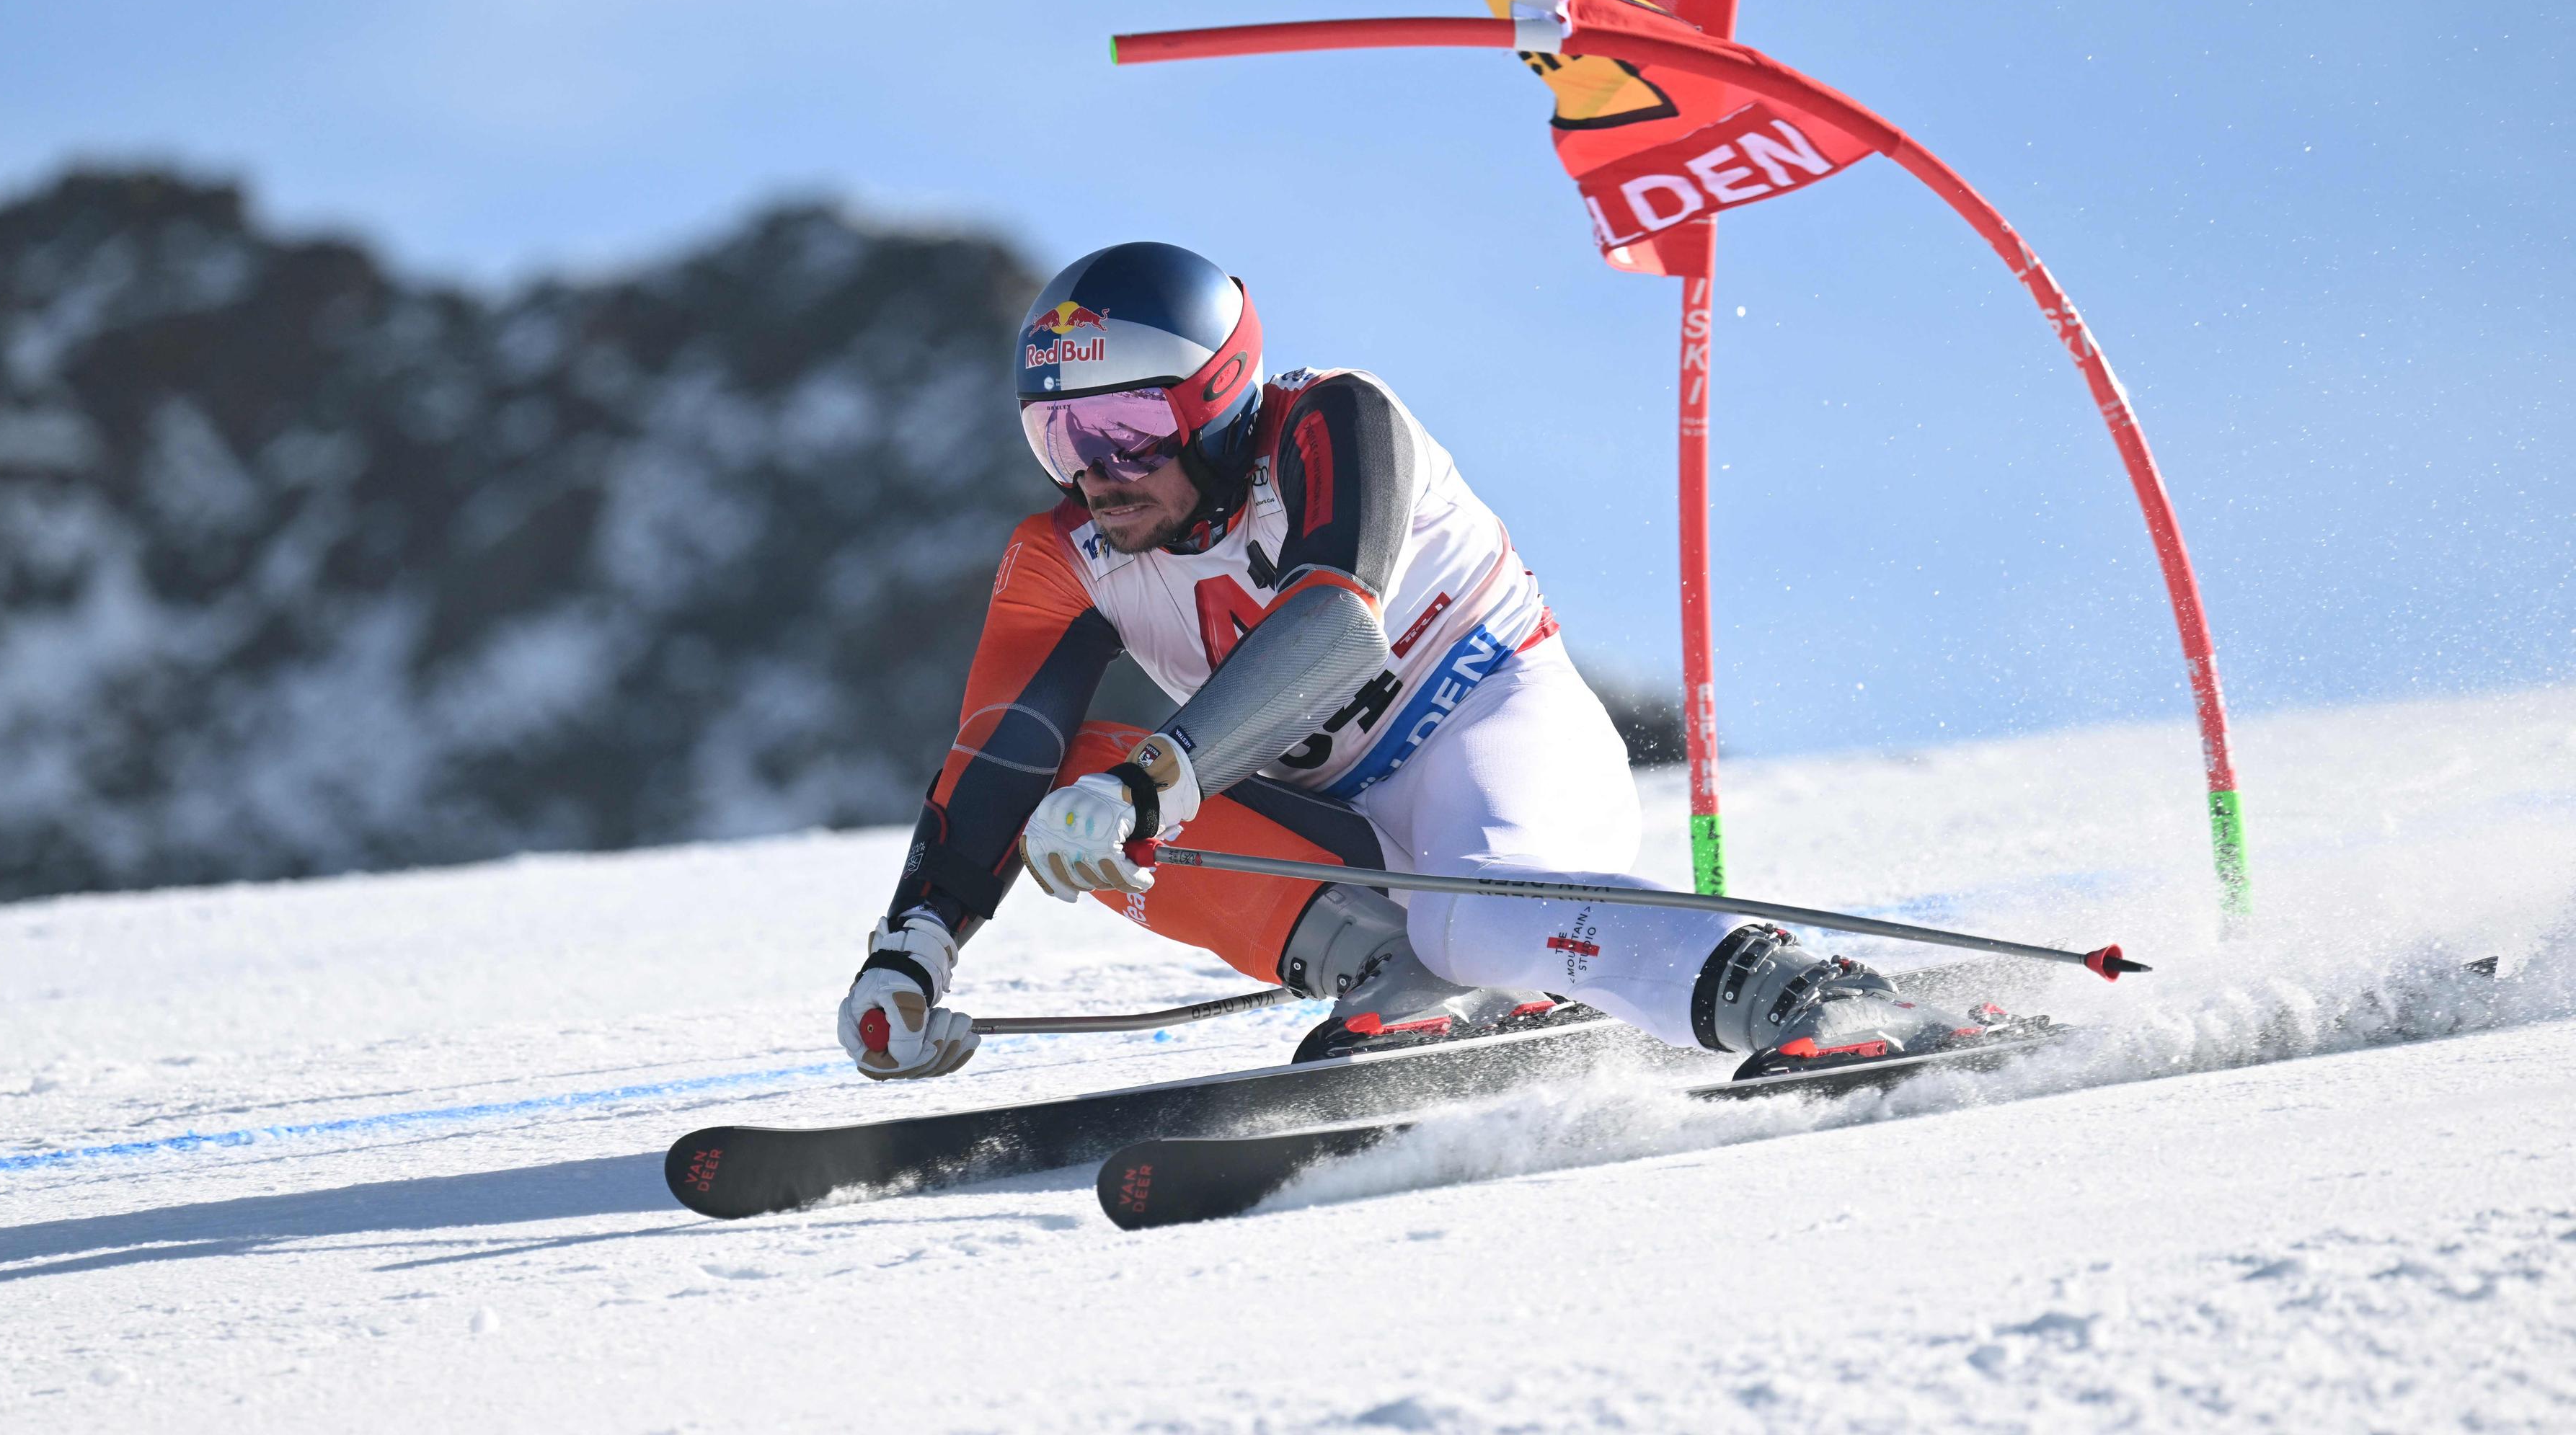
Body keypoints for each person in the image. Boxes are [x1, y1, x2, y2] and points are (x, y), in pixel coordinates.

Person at [836, 242, 1968, 1080]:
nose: (1097, 471)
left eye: (1126, 428)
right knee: (1072, 775)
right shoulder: (1065, 554)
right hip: (1339, 820)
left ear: (1220, 398)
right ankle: (1396, 979)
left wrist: (1147, 789)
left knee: (1473, 911)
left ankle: (1807, 991)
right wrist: (914, 949)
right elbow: (1000, 751)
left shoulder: (1333, 422)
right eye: (1061, 436)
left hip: (1490, 727)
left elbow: (1335, 624)